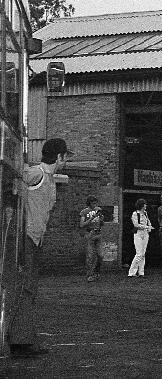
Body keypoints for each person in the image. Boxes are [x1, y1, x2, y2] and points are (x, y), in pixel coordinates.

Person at [6, 138, 71, 357]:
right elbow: (15, 175)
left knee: (28, 289)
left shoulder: (49, 178)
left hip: (34, 238)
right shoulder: (38, 174)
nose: (66, 161)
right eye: (65, 156)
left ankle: (21, 338)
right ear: (58, 156)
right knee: (26, 288)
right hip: (27, 237)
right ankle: (20, 340)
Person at [79, 195, 104, 282]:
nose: (95, 205)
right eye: (93, 203)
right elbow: (82, 225)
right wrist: (91, 218)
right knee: (90, 256)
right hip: (90, 233)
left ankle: (97, 272)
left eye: (96, 203)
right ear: (89, 203)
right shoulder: (84, 212)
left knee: (100, 255)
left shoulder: (98, 210)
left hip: (98, 233)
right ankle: (90, 274)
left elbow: (102, 223)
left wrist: (101, 219)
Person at [128, 199, 153, 277]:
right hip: (138, 233)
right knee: (139, 253)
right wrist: (146, 227)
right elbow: (136, 225)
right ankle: (131, 272)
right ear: (141, 205)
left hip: (145, 233)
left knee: (143, 254)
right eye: (145, 204)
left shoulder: (145, 213)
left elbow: (148, 221)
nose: (146, 206)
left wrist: (149, 227)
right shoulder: (135, 214)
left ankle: (141, 272)